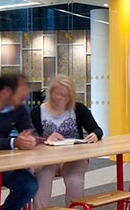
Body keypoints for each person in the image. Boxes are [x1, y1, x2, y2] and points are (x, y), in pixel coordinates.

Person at [30, 74, 103, 209]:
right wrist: (46, 139)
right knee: (42, 179)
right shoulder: (36, 112)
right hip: (47, 158)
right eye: (59, 94)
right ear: (51, 93)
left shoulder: (78, 109)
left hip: (74, 157)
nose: (63, 99)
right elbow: (30, 139)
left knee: (74, 180)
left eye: (67, 95)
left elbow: (97, 129)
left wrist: (95, 135)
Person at [0, 73, 39, 210]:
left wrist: (30, 140)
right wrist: (13, 143)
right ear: (6, 92)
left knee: (29, 185)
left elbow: (28, 131)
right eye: (21, 98)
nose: (23, 102)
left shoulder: (17, 108)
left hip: (2, 164)